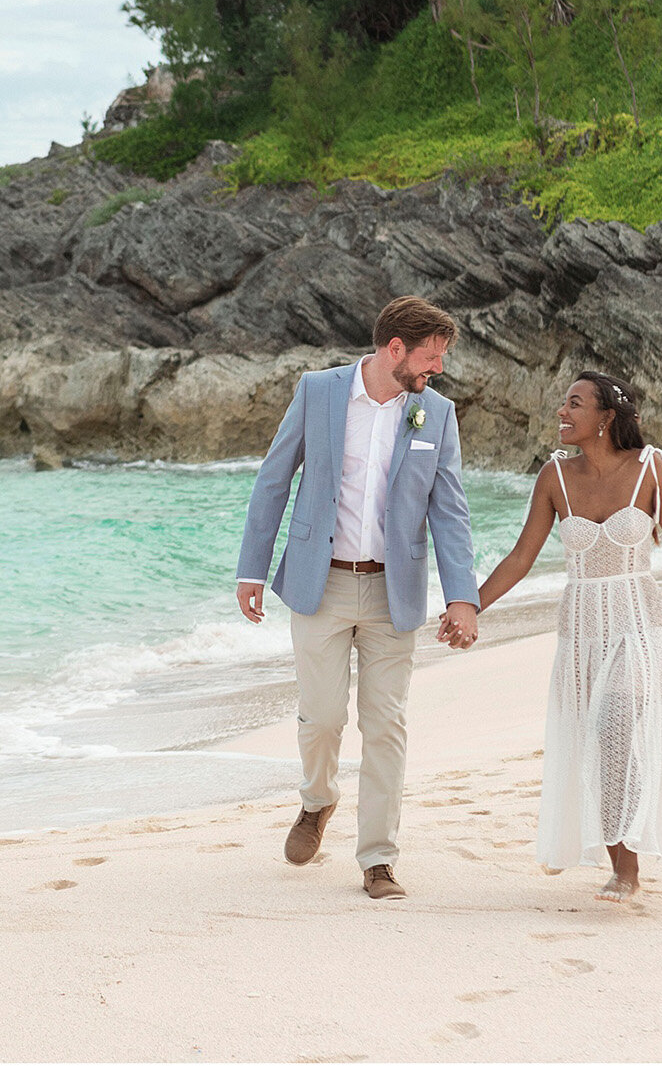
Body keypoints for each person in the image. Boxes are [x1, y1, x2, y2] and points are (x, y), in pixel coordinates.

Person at [458, 371, 662, 902]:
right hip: (581, 629)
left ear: (606, 418)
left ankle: (627, 871)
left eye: (575, 403)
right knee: (599, 741)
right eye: (562, 403)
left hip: (639, 622)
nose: (562, 413)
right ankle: (620, 858)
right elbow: (521, 558)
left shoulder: (649, 469)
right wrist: (469, 606)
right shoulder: (554, 477)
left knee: (617, 724)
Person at [234, 295, 480, 901]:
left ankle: (378, 858)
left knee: (386, 724)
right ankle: (318, 801)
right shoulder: (319, 392)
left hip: (393, 591)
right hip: (320, 584)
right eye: (430, 356)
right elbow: (274, 477)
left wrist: (462, 597)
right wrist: (252, 570)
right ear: (394, 349)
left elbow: (449, 511)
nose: (438, 368)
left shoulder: (436, 413)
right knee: (322, 718)